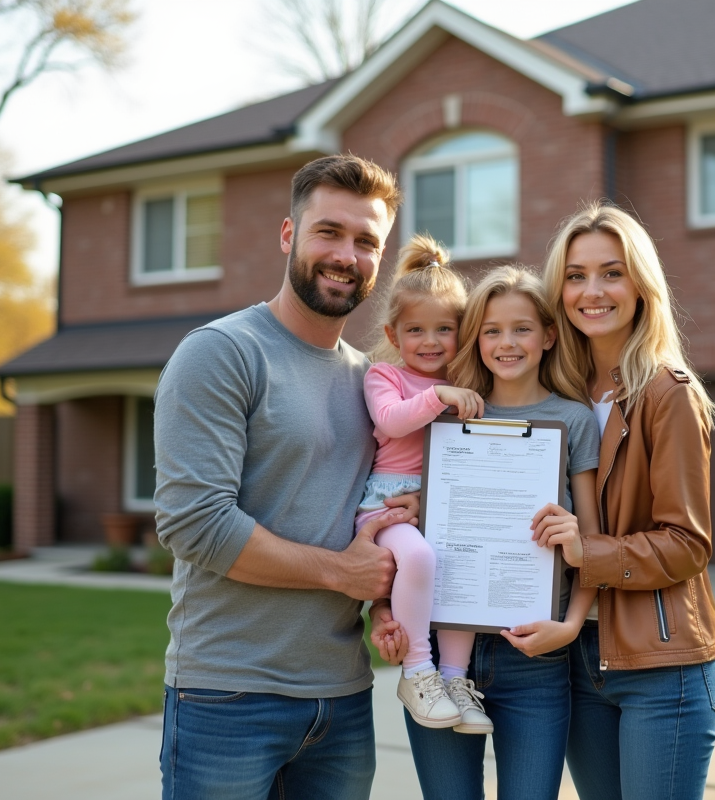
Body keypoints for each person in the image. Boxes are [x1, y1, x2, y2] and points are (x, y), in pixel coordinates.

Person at [153, 154, 415, 800]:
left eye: (366, 241)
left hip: (344, 699)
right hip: (228, 695)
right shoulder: (223, 353)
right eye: (329, 231)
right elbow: (195, 525)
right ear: (289, 235)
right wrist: (340, 571)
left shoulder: (373, 383)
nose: (346, 255)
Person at [372, 265, 601, 799]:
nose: (506, 342)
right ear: (475, 338)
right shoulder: (443, 411)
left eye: (522, 328)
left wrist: (570, 625)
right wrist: (382, 610)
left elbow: (592, 537)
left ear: (548, 336)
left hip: (534, 656)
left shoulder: (574, 420)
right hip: (441, 650)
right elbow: (394, 526)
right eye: (492, 329)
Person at [541, 202, 715, 800]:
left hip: (661, 666)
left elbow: (687, 544)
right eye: (575, 276)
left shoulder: (667, 394)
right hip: (576, 660)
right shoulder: (556, 396)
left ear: (641, 286)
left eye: (611, 272)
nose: (592, 291)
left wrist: (583, 551)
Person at [356, 234, 494, 733]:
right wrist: (440, 394)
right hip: (388, 505)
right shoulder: (384, 376)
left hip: (445, 504)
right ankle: (417, 669)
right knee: (417, 558)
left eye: (445, 329)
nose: (431, 341)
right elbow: (392, 422)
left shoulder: (468, 385)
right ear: (394, 336)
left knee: (459, 573)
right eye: (416, 330)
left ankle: (455, 679)